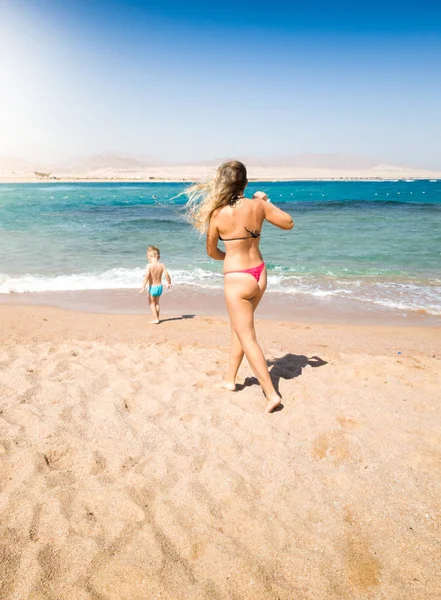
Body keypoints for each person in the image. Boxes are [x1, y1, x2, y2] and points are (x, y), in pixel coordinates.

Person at [185, 160, 294, 412]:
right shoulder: (259, 206)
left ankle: (271, 394)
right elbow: (288, 223)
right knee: (239, 327)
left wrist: (231, 259)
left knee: (247, 335)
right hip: (260, 274)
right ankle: (230, 380)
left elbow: (212, 252)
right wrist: (266, 202)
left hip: (237, 278)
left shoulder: (217, 214)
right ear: (245, 182)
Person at [139, 245, 171, 324]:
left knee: (151, 303)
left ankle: (155, 319)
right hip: (160, 287)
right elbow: (167, 274)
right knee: (157, 303)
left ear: (150, 257)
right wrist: (169, 283)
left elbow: (146, 277)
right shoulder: (162, 265)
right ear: (158, 257)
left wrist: (143, 287)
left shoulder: (149, 266)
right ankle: (158, 318)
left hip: (152, 288)